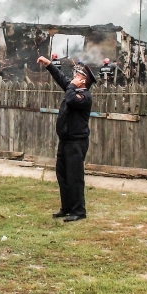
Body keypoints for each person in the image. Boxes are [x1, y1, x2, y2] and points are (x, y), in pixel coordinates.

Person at [37, 55, 95, 222]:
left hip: (77, 142)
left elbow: (69, 99)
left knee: (74, 176)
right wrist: (49, 65)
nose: (75, 77)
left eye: (79, 76)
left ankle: (79, 211)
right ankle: (67, 207)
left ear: (84, 82)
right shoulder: (73, 90)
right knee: (62, 175)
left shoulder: (84, 96)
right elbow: (62, 80)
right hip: (65, 140)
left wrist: (70, 86)